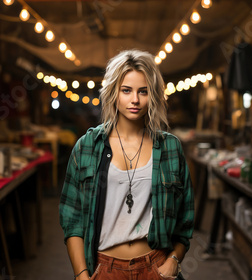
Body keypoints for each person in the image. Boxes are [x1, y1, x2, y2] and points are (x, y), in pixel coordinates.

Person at [59, 49, 194, 280]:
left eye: (143, 91)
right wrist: (81, 274)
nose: (135, 100)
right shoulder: (88, 147)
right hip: (105, 269)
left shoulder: (169, 147)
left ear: (153, 95)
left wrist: (173, 260)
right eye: (126, 90)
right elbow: (72, 220)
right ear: (113, 93)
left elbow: (185, 219)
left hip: (156, 266)